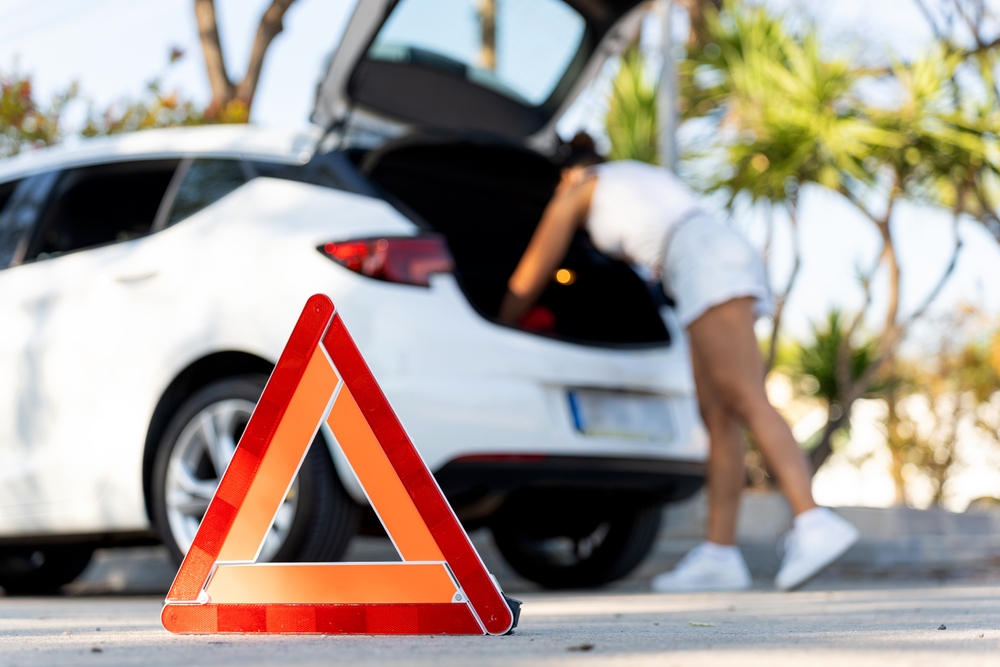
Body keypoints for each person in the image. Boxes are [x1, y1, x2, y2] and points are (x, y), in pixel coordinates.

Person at [498, 134, 859, 592]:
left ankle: (813, 522)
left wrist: (502, 322)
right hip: (706, 255)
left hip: (702, 259)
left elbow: (534, 270)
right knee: (718, 416)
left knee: (745, 396)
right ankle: (719, 555)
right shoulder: (637, 176)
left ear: (568, 172)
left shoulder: (580, 186)